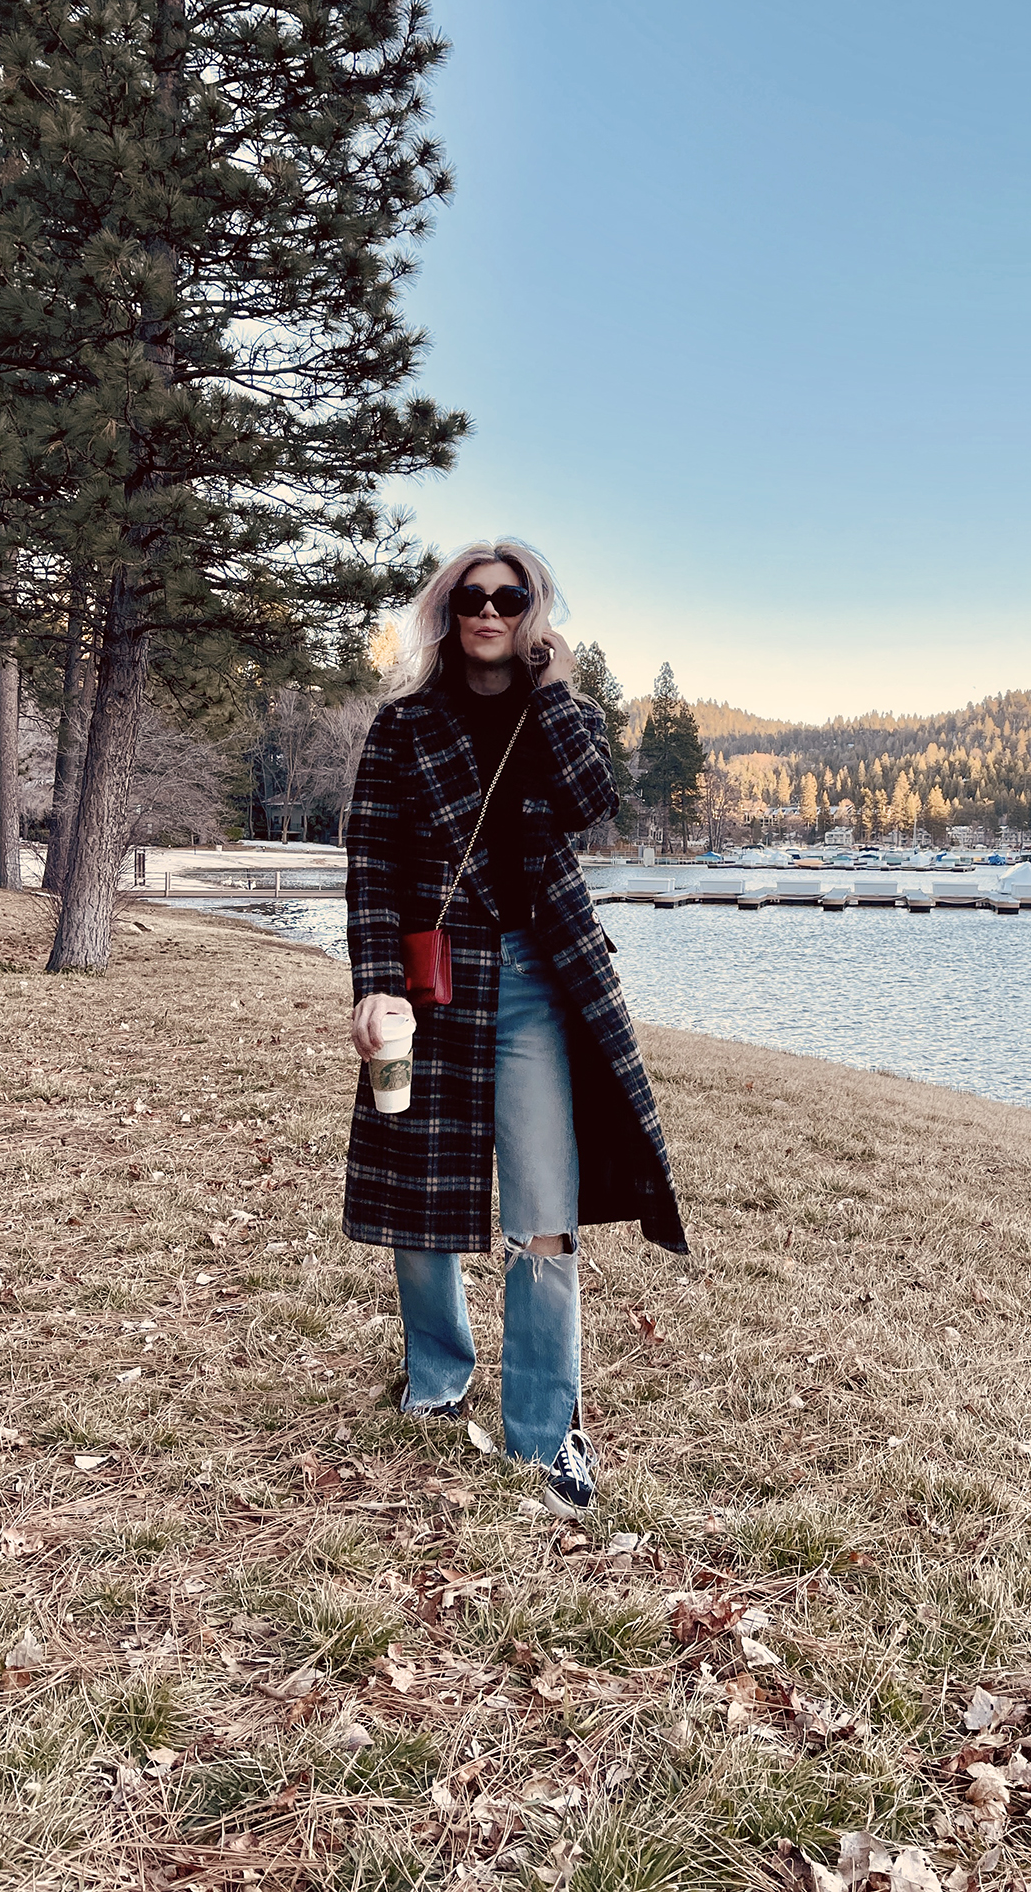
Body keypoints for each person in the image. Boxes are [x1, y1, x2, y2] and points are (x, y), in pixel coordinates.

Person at [343, 538, 687, 1516]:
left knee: (544, 1214)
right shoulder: (403, 725)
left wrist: (553, 690)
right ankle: (437, 1377)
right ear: (446, 610)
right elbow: (371, 859)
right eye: (471, 596)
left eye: (510, 596)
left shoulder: (556, 716)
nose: (488, 611)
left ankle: (546, 1431)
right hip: (432, 977)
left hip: (537, 979)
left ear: (532, 610)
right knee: (421, 1195)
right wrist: (374, 984)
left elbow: (590, 804)